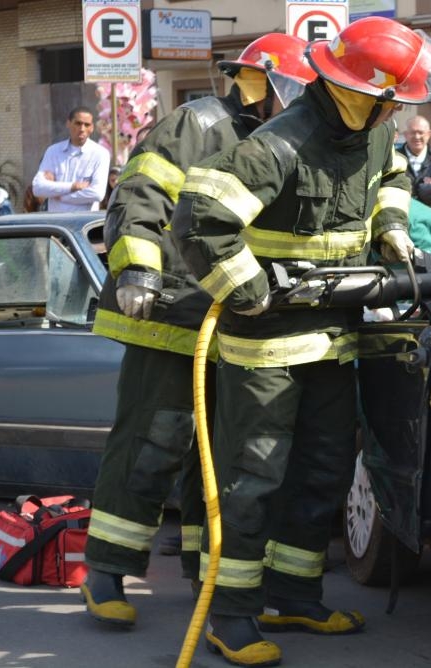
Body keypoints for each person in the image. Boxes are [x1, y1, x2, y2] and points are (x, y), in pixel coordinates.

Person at [171, 17, 431, 666]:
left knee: (323, 473)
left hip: (334, 339)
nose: (393, 115)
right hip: (265, 350)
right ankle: (233, 616)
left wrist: (393, 234)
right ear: (361, 91)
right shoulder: (280, 144)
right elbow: (201, 216)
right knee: (254, 483)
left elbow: (394, 181)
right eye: (389, 102)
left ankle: (293, 595)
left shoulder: (374, 134)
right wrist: (250, 290)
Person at [79, 33, 316, 630]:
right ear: (257, 80)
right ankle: (105, 569)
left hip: (235, 319)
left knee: (213, 456)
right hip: (169, 313)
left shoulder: (280, 139)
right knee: (153, 441)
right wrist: (136, 266)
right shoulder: (198, 122)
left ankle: (202, 571)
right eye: (288, 90)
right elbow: (140, 192)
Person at [31, 106, 110, 212]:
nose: (82, 129)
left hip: (84, 223)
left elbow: (97, 193)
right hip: (55, 223)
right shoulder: (53, 151)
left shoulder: (100, 154)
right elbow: (38, 188)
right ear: (68, 123)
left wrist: (60, 196)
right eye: (78, 123)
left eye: (87, 125)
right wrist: (72, 186)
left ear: (92, 128)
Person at [398, 115, 431, 186]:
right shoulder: (394, 158)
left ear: (429, 134)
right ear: (405, 134)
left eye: (421, 133)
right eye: (412, 132)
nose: (417, 137)